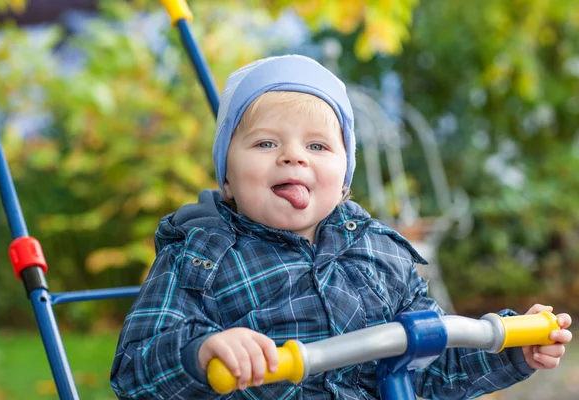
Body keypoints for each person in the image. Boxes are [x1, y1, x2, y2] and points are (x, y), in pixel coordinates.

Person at [110, 55, 572, 399]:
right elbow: (134, 372)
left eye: (318, 146)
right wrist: (202, 353)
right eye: (266, 142)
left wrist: (511, 349)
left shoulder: (381, 255)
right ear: (226, 178)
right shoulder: (198, 257)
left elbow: (429, 368)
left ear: (344, 178)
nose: (293, 156)